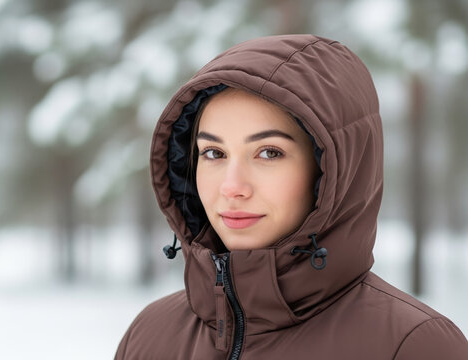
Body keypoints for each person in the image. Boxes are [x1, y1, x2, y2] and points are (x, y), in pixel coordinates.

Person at [115, 34, 468, 359]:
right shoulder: (150, 335)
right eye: (213, 153)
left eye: (269, 153)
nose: (232, 186)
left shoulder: (413, 345)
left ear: (332, 171)